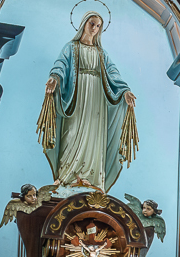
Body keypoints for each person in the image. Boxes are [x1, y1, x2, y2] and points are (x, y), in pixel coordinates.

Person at [38, 11, 137, 191]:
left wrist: (125, 90)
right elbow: (61, 63)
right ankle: (67, 176)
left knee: (95, 134)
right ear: (84, 23)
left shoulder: (101, 53)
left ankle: (92, 179)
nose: (94, 28)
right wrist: (54, 77)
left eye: (98, 26)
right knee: (72, 131)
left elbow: (113, 73)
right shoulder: (71, 47)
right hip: (77, 95)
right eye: (92, 23)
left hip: (96, 97)